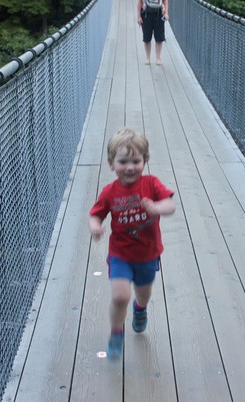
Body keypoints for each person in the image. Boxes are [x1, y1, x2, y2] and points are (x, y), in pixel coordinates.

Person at [89, 127, 176, 359]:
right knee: (120, 296)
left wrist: (157, 207)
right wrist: (95, 226)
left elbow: (170, 205)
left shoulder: (151, 184)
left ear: (145, 161)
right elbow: (95, 214)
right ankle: (116, 333)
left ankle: (140, 310)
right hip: (121, 254)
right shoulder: (110, 192)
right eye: (123, 161)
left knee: (143, 293)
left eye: (136, 161)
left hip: (147, 254)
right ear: (111, 164)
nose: (129, 166)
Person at [137, 0, 169, 65]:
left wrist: (166, 13)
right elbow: (139, 2)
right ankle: (148, 58)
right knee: (147, 37)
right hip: (146, 14)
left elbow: (165, 1)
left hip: (159, 13)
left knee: (159, 37)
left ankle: (158, 58)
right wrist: (138, 16)